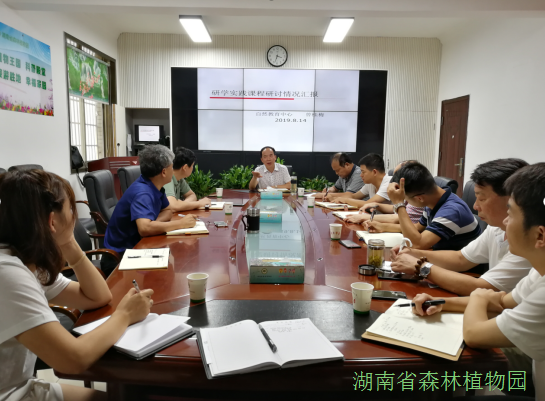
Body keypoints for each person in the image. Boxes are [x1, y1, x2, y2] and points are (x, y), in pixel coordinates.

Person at [0, 169, 154, 401]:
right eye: (71, 209)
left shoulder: (26, 261)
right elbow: (72, 359)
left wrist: (69, 242)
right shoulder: (8, 273)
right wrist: (125, 315)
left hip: (21, 387)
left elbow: (98, 297)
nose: (74, 216)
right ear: (52, 221)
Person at [411, 162, 545, 400]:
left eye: (511, 213)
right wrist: (440, 302)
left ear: (540, 235)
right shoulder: (538, 272)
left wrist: (478, 297)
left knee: (439, 366)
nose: (506, 222)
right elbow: (503, 301)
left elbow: (474, 332)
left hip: (526, 372)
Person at [389, 158, 531, 295]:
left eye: (482, 198)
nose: (475, 206)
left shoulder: (531, 243)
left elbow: (483, 288)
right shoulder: (495, 229)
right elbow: (460, 259)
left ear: (512, 200)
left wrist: (421, 267)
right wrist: (413, 253)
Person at [102, 145, 197, 275]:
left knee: (168, 270)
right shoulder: (143, 193)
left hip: (139, 247)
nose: (173, 170)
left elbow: (168, 211)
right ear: (164, 172)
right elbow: (145, 229)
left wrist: (154, 224)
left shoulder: (155, 185)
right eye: (171, 166)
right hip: (120, 258)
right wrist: (181, 224)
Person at [385, 161, 481, 250]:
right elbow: (418, 228)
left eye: (406, 199)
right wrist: (382, 227)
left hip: (455, 262)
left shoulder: (451, 211)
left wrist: (399, 204)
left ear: (419, 198)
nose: (406, 202)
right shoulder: (433, 200)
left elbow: (417, 244)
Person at [344, 160, 424, 225]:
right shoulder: (410, 194)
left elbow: (398, 218)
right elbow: (397, 208)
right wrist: (377, 205)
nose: (393, 181)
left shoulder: (418, 196)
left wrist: (364, 218)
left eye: (397, 176)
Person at [164, 147, 211, 212]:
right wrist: (199, 203)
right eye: (192, 165)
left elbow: (192, 195)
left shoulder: (179, 178)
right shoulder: (167, 179)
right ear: (185, 167)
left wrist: (182, 205)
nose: (192, 168)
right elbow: (173, 206)